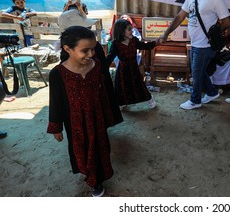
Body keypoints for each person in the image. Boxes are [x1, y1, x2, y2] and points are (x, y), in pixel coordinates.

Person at [47, 26, 117, 197]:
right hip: (75, 123)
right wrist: (56, 127)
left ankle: (97, 179)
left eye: (93, 49)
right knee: (83, 151)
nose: (91, 54)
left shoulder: (97, 66)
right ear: (67, 49)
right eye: (85, 50)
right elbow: (55, 103)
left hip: (97, 118)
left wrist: (108, 117)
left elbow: (103, 93)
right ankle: (92, 180)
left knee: (101, 149)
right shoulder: (57, 74)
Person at [158, 0, 230, 110]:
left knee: (196, 74)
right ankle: (211, 92)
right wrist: (166, 33)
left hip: (205, 45)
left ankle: (195, 100)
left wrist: (213, 33)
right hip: (195, 42)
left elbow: (227, 22)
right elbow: (179, 17)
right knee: (199, 71)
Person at [107, 19, 157, 110]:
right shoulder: (115, 44)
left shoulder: (134, 41)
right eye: (129, 29)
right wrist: (102, 65)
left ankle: (150, 100)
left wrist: (156, 42)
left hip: (134, 69)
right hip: (122, 70)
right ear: (121, 32)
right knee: (122, 88)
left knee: (139, 86)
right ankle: (122, 103)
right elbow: (110, 58)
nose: (132, 31)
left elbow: (145, 46)